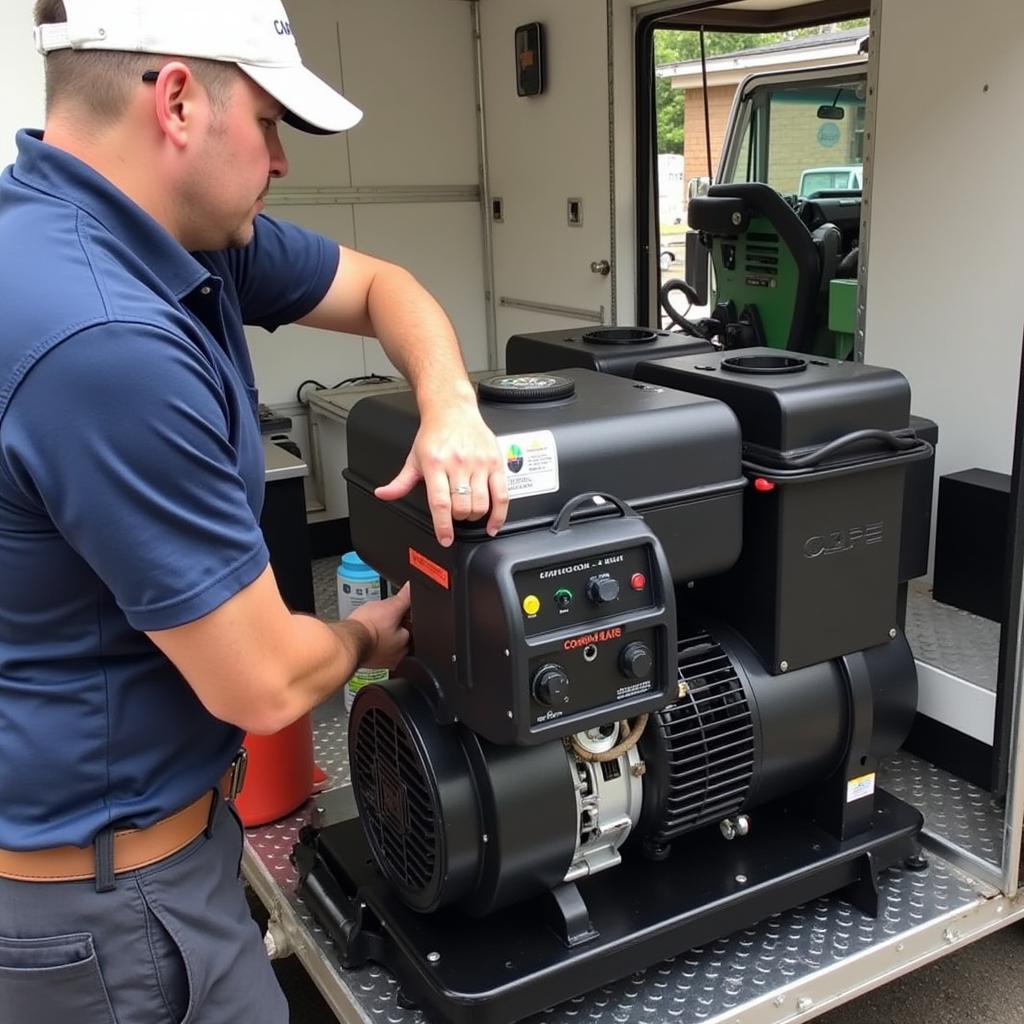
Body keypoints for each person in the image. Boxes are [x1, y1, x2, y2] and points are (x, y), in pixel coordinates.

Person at [0, 1, 509, 1021]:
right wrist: (370, 628)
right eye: (271, 123)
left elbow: (382, 285)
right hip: (105, 913)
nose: (279, 159)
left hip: (121, 858)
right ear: (179, 100)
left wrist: (451, 404)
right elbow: (265, 683)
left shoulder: (116, 231)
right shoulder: (106, 341)